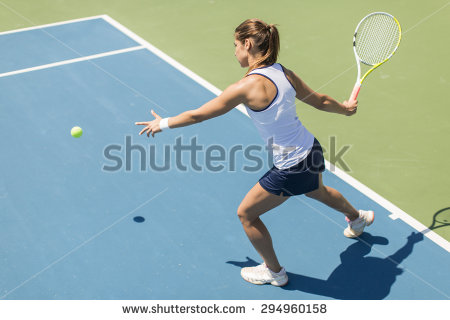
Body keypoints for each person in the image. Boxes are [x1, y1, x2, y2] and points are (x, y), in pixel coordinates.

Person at [135, 18, 374, 287]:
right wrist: (345, 108)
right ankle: (358, 217)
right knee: (316, 190)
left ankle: (275, 272)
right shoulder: (284, 72)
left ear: (247, 44)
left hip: (291, 166)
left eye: (236, 45)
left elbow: (198, 115)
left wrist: (163, 123)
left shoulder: (245, 87)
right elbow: (320, 101)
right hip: (311, 149)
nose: (234, 50)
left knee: (246, 214)